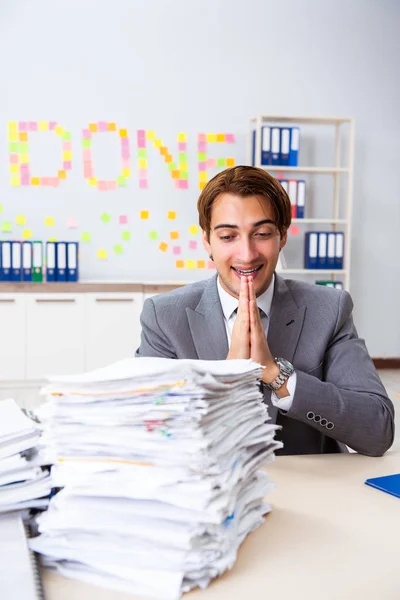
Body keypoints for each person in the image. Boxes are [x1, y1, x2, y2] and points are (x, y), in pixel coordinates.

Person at [137, 165, 395, 456]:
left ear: (282, 237)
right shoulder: (164, 316)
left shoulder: (328, 309)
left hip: (311, 489)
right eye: (227, 236)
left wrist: (276, 375)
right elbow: (147, 433)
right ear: (207, 241)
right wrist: (227, 377)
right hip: (212, 490)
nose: (247, 255)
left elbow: (378, 429)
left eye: (261, 233)